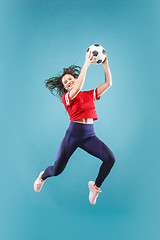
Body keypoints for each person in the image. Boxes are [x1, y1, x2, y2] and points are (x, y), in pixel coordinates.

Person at [34, 51, 115, 205]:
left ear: (76, 78)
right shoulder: (67, 97)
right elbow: (77, 87)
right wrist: (86, 63)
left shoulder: (89, 94)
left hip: (89, 136)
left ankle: (95, 187)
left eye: (71, 79)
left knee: (110, 159)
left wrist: (105, 64)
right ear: (65, 88)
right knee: (57, 170)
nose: (69, 82)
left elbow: (108, 84)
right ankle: (43, 176)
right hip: (73, 135)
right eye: (66, 82)